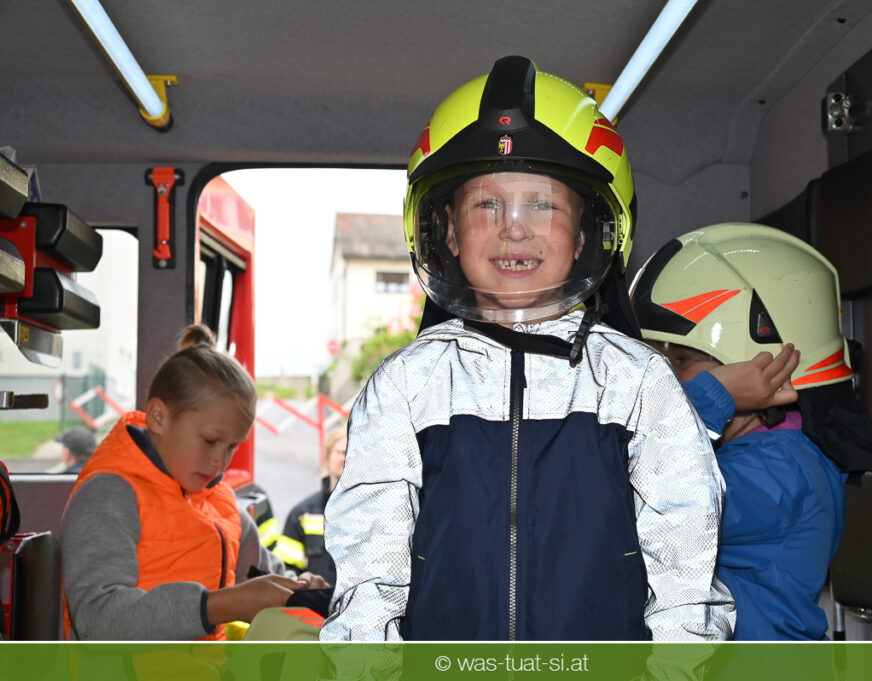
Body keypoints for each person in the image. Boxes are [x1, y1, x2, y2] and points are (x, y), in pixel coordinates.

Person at [321, 56, 734, 642]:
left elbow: (685, 565)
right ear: (447, 231)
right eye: (486, 204)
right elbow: (370, 569)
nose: (513, 227)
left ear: (588, 232)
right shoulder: (409, 385)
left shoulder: (636, 382)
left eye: (543, 204)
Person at [631, 223, 872, 640]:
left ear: (762, 369)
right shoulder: (747, 451)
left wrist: (710, 398)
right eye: (656, 359)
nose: (663, 379)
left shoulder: (777, 471)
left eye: (682, 360)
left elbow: (638, 505)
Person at [59, 324, 328, 641]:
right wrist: (216, 606)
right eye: (210, 441)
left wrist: (300, 587)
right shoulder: (109, 496)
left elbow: (263, 575)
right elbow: (98, 619)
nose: (221, 461)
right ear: (159, 417)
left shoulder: (222, 506)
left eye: (232, 447)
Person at [274, 428, 346, 585]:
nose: (349, 458)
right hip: (317, 601)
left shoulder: (380, 512)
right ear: (326, 458)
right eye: (343, 452)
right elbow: (285, 571)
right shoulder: (303, 514)